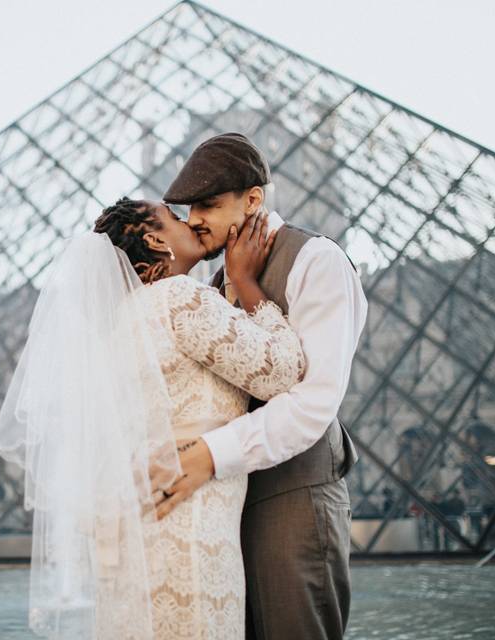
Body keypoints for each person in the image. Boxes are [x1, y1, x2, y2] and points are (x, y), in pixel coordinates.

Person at [0, 192, 306, 639]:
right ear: (157, 243)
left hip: (137, 533)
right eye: (175, 217)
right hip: (190, 526)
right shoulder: (178, 298)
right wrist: (246, 282)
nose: (191, 221)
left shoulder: (114, 330)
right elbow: (283, 371)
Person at [156, 132, 369, 640]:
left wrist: (209, 454)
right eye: (189, 209)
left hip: (290, 498)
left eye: (209, 204)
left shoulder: (317, 260)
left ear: (253, 200)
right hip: (217, 504)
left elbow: (313, 403)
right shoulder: (207, 287)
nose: (195, 220)